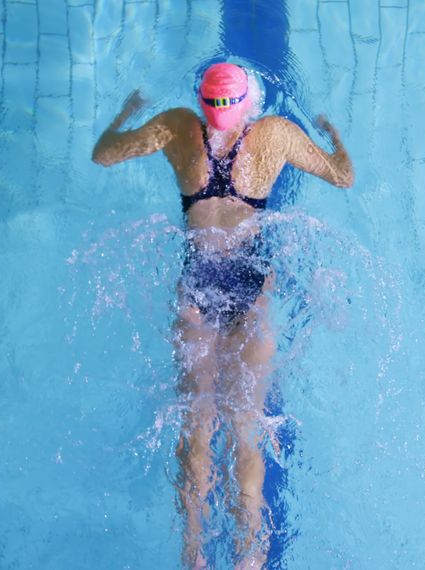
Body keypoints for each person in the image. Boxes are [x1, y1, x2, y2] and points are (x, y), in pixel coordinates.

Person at [92, 62, 354, 569]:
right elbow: (342, 176)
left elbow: (104, 155)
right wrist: (333, 134)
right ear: (249, 104)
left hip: (197, 288)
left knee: (196, 426)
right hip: (251, 291)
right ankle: (249, 558)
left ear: (202, 104)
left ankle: (193, 555)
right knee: (245, 427)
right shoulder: (275, 135)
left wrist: (124, 114)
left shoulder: (177, 128)